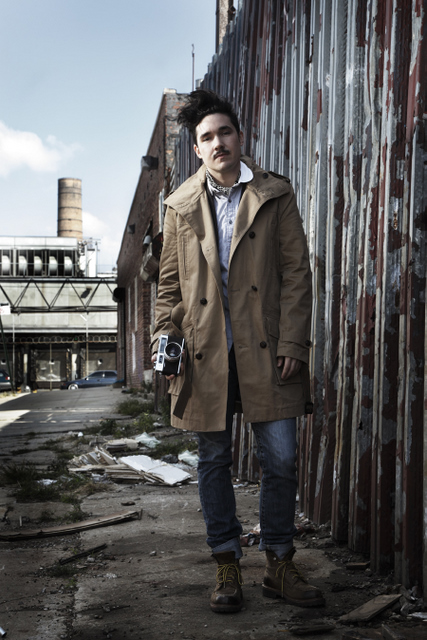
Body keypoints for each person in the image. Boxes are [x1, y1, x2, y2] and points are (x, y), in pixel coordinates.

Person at [151, 89, 324, 613]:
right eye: (206, 137)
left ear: (239, 136)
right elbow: (168, 287)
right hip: (205, 352)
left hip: (268, 348)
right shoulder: (179, 206)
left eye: (224, 132)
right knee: (213, 459)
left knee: (282, 459)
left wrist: (294, 341)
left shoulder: (274, 193)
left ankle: (279, 563)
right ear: (197, 149)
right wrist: (165, 341)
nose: (218, 142)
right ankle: (226, 562)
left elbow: (297, 274)